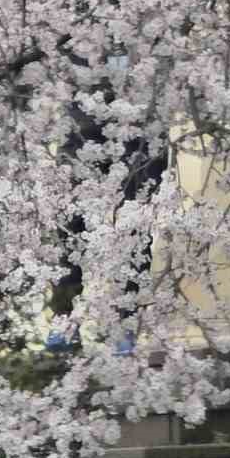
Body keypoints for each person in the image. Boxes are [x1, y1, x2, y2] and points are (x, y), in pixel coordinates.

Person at [45, 45, 168, 356]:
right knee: (70, 234)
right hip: (84, 137)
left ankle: (126, 323)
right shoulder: (79, 26)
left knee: (135, 234)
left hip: (142, 140)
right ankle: (64, 319)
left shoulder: (152, 29)